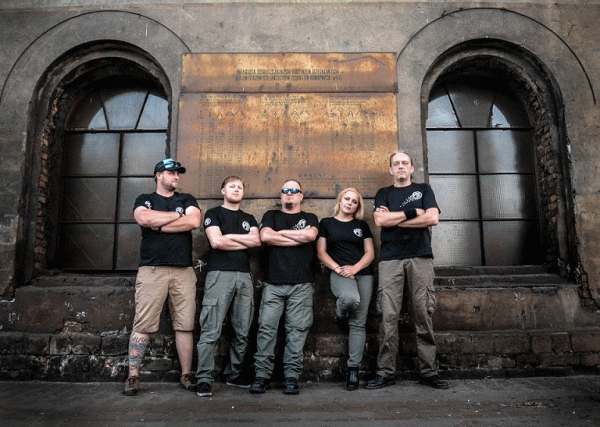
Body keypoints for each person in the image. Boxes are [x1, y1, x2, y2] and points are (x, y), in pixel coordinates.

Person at [366, 150, 448, 390]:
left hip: (420, 256)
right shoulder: (384, 193)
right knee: (388, 316)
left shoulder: (424, 190)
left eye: (405, 163)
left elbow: (432, 219)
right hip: (390, 259)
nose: (400, 166)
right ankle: (385, 372)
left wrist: (396, 220)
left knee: (423, 313)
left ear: (412, 168)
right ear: (390, 170)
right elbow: (380, 221)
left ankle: (429, 372)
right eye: (396, 164)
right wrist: (413, 213)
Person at [123, 158, 202, 396]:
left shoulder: (186, 199)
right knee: (143, 323)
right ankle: (133, 376)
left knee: (185, 324)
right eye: (171, 173)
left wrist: (159, 225)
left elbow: (194, 220)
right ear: (158, 175)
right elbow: (144, 219)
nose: (176, 177)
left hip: (183, 271)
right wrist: (177, 217)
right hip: (152, 270)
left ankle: (186, 375)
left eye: (178, 173)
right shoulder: (144, 199)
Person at [249, 179, 319, 395]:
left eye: (294, 190)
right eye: (285, 190)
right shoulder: (271, 215)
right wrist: (298, 238)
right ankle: (262, 376)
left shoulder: (310, 217)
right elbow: (265, 236)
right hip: (273, 284)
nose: (289, 193)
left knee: (296, 331)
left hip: (302, 284)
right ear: (281, 196)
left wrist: (279, 235)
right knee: (266, 329)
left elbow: (310, 235)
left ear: (301, 196)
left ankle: (291, 377)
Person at [195, 176, 261, 398]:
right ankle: (204, 379)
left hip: (244, 276)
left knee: (242, 329)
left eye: (240, 187)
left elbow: (256, 241)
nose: (236, 189)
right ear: (223, 190)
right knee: (211, 329)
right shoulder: (214, 213)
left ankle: (234, 374)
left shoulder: (249, 218)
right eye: (232, 186)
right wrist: (242, 239)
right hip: (219, 275)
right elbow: (216, 242)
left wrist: (229, 237)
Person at [317, 188, 375, 391]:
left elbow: (370, 253)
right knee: (350, 299)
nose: (350, 203)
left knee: (358, 323)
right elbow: (321, 252)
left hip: (363, 274)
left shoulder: (361, 225)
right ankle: (341, 316)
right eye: (347, 199)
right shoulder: (326, 223)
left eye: (354, 201)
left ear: (358, 206)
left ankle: (353, 370)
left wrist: (355, 268)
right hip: (339, 273)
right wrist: (339, 269)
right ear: (340, 200)